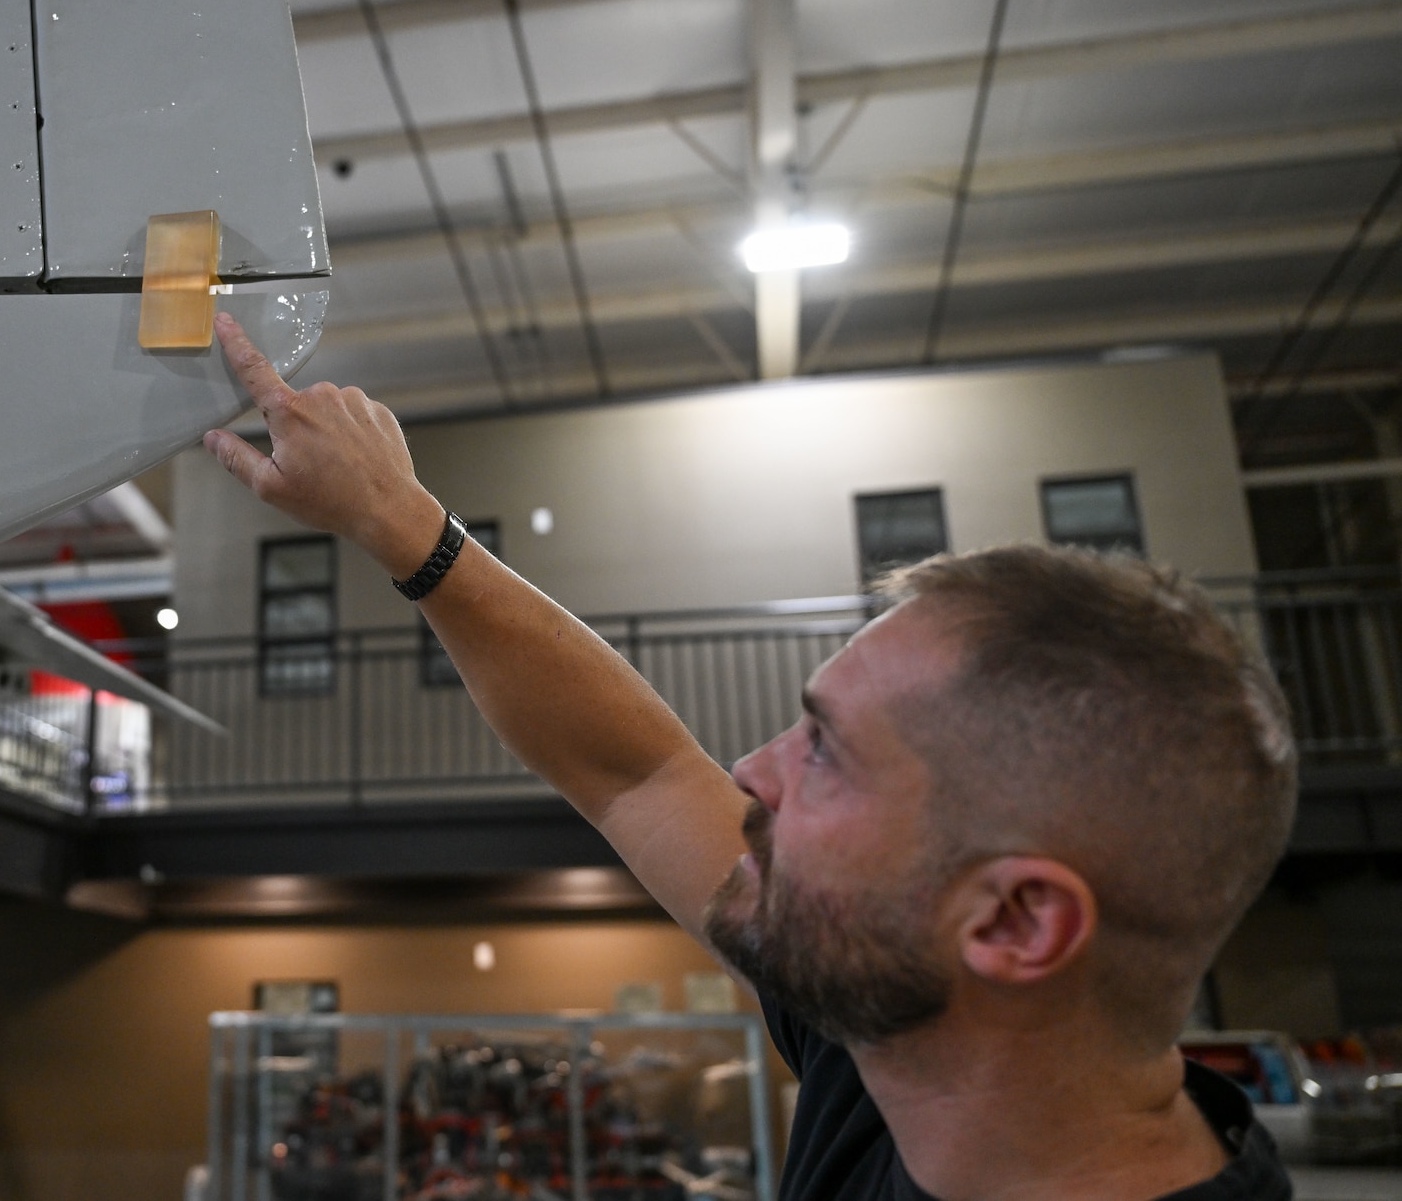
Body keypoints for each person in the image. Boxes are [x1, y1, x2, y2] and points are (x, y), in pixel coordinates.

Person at [202, 313, 1297, 1201]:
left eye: (828, 755)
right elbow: (637, 773)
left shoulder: (909, 1024)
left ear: (1014, 922)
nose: (751, 771)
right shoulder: (900, 1038)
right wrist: (401, 524)